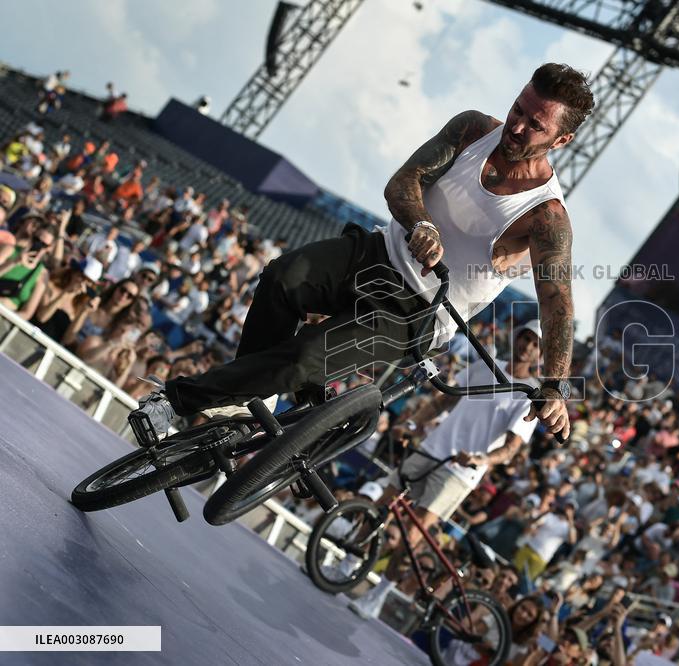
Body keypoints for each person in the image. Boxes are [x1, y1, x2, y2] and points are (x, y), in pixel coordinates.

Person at [133, 62, 593, 441]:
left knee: (302, 359)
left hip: (417, 314)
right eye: (518, 109)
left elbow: (557, 304)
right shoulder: (473, 129)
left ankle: (175, 402)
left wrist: (554, 385)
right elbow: (403, 182)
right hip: (376, 253)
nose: (516, 126)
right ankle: (244, 402)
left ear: (560, 140)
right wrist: (422, 225)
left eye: (535, 125)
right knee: (280, 279)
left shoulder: (545, 217)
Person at [349, 321, 543, 619]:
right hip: (432, 447)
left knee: (415, 533)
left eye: (535, 344)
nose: (527, 347)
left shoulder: (531, 395)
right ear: (517, 337)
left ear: (541, 353)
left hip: (461, 472)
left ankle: (377, 594)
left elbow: (511, 449)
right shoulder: (485, 365)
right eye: (525, 338)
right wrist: (413, 422)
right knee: (381, 506)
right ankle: (348, 563)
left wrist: (482, 460)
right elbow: (444, 401)